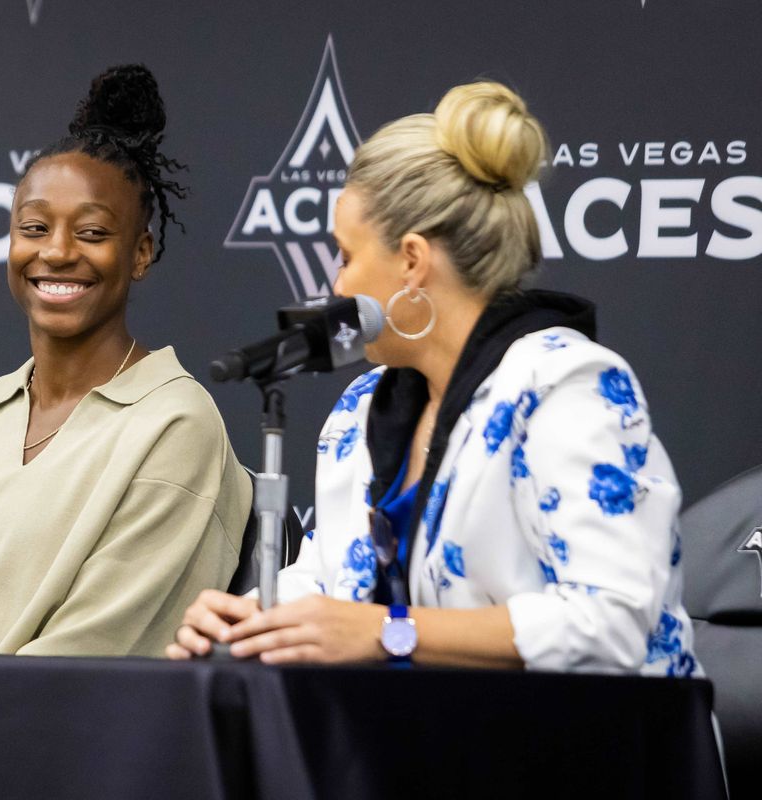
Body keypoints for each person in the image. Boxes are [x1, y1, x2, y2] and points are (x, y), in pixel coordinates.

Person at [168, 81, 700, 677]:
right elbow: (331, 581)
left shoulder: (566, 385)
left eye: (346, 256)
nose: (337, 287)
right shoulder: (363, 405)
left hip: (596, 755)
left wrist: (390, 632)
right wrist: (247, 620)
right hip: (428, 748)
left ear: (413, 261)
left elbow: (613, 620)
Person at [0, 65, 251, 656]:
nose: (56, 252)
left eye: (91, 232)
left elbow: (89, 656)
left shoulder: (176, 425)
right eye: (34, 227)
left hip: (43, 740)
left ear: (140, 254)